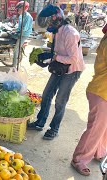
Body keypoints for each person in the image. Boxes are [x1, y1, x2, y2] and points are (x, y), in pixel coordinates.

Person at [27, 5, 85, 140]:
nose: (47, 25)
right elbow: (58, 52)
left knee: (60, 100)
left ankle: (54, 128)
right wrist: (46, 58)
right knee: (46, 95)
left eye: (48, 22)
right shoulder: (56, 31)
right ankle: (40, 122)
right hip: (60, 66)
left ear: (56, 19)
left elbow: (73, 58)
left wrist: (54, 58)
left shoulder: (70, 33)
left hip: (72, 70)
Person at [71, 24, 107, 176]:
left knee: (103, 129)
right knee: (95, 129)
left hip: (102, 91)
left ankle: (99, 152)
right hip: (101, 92)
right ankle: (79, 159)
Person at [12, 1, 33, 68]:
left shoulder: (28, 17)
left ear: (24, 9)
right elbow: (19, 27)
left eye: (19, 9)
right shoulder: (21, 16)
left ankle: (14, 67)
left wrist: (17, 31)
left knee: (15, 50)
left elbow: (25, 29)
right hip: (20, 32)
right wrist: (14, 30)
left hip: (24, 35)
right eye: (18, 9)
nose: (18, 10)